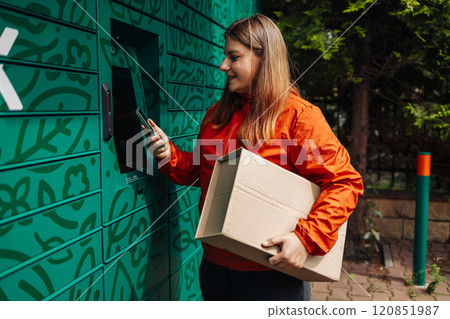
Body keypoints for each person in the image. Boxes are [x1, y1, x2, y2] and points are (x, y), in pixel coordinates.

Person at [143, 14, 364, 301]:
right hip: (214, 267)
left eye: (234, 57)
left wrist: (305, 239)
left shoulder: (299, 117)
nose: (224, 66)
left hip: (271, 272)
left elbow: (344, 183)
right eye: (225, 56)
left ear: (263, 59)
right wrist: (168, 153)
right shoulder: (216, 115)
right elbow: (200, 171)